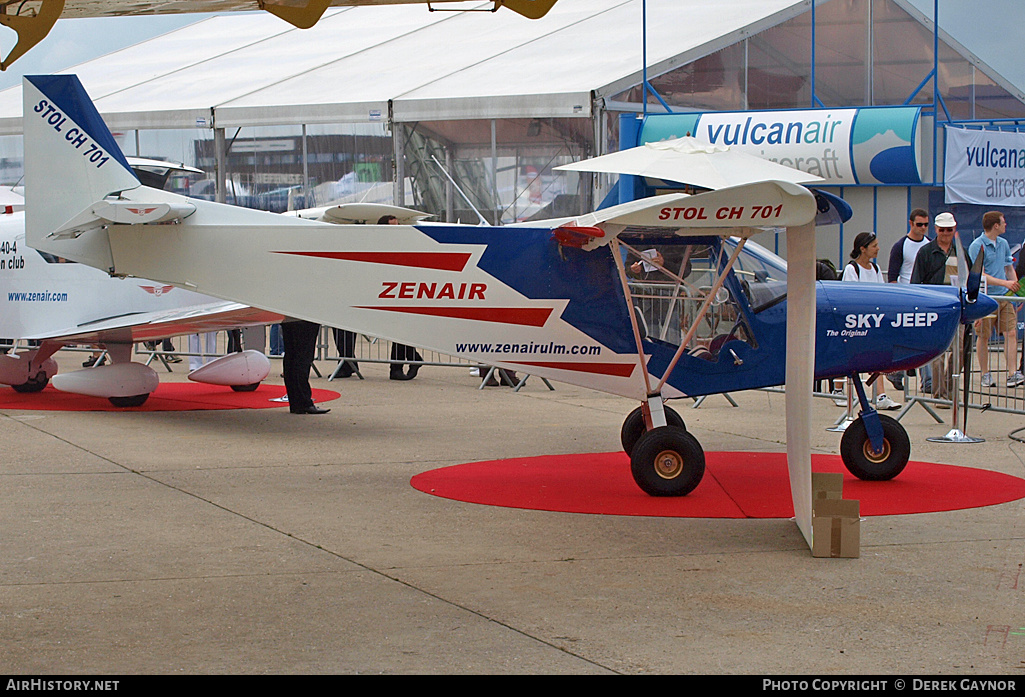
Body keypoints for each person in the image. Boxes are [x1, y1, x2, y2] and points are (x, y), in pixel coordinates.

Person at [841, 232, 899, 410]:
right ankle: (843, 393)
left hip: (873, 322)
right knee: (851, 359)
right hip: (856, 324)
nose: (878, 249)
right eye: (874, 246)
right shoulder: (852, 270)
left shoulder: (875, 269)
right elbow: (849, 297)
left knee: (876, 357)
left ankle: (880, 395)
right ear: (862, 248)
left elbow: (880, 294)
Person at [911, 212, 962, 402]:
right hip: (935, 308)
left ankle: (948, 388)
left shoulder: (960, 252)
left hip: (957, 308)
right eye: (943, 230)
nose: (946, 233)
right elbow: (916, 281)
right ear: (937, 229)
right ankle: (940, 393)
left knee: (959, 352)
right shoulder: (925, 252)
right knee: (938, 352)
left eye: (949, 229)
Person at [968, 210, 1023, 388]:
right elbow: (980, 275)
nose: (1006, 224)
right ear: (996, 225)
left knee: (1011, 332)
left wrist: (1015, 290)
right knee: (984, 336)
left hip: (1004, 297)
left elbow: (1009, 267)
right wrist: (1005, 283)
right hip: (986, 297)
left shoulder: (1004, 243)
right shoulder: (977, 246)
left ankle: (1012, 373)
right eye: (1003, 221)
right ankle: (985, 374)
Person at [378, 214, 424, 381]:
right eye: (392, 226)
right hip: (386, 292)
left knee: (399, 331)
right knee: (396, 331)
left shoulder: (401, 244)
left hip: (398, 293)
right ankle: (411, 359)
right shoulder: (382, 245)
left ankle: (399, 366)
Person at [281, 319, 329, 414]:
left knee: (291, 356)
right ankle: (303, 402)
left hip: (289, 318)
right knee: (302, 358)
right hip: (304, 319)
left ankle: (296, 402)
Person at [887, 208, 931, 284]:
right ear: (911, 223)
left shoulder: (931, 244)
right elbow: (892, 277)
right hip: (907, 289)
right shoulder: (900, 246)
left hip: (926, 290)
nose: (923, 227)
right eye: (919, 224)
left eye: (926, 224)